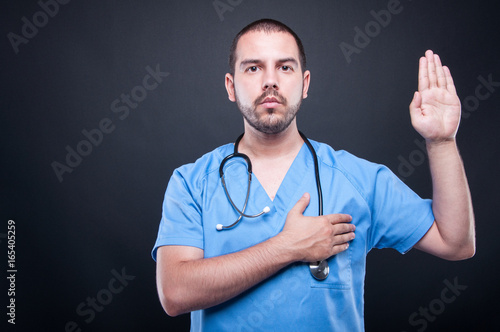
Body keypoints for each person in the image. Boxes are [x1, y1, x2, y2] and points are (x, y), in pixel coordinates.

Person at [152, 18, 475, 331]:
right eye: (253, 68)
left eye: (285, 67)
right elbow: (175, 294)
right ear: (231, 86)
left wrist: (442, 142)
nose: (270, 81)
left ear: (304, 84)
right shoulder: (192, 182)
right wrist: (287, 247)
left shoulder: (358, 179)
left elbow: (456, 242)